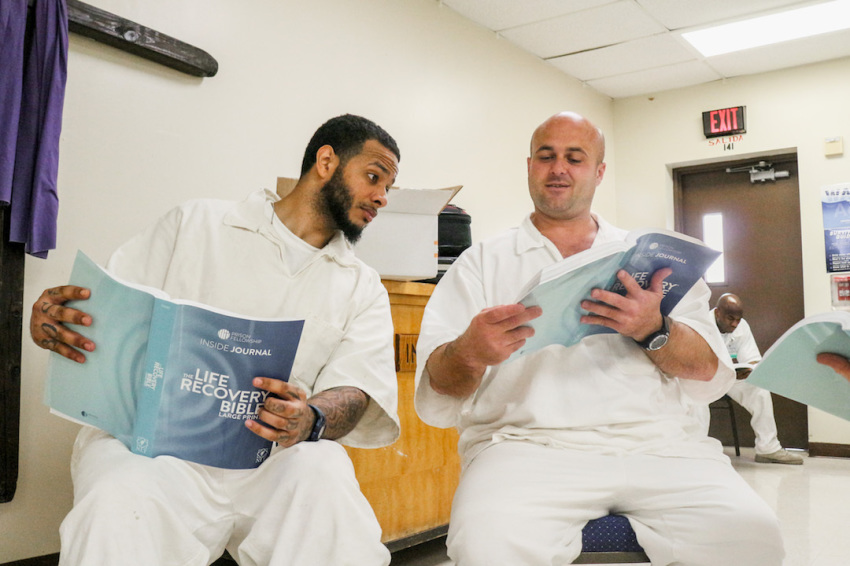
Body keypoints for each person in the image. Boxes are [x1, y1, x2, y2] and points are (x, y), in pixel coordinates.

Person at [414, 111, 784, 565]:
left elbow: (710, 374)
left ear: (599, 171)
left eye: (576, 157)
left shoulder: (654, 259)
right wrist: (469, 352)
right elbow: (437, 395)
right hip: (527, 449)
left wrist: (654, 329)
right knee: (486, 545)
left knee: (754, 535)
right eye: (546, 156)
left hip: (662, 446)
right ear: (529, 165)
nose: (559, 169)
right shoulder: (482, 263)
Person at [30, 114, 402, 566]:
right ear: (326, 161)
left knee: (325, 476)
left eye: (387, 188)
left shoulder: (361, 285)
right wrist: (59, 321)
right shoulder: (197, 223)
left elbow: (359, 389)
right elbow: (107, 315)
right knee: (117, 500)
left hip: (274, 457)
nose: (381, 197)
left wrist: (310, 417)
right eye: (374, 177)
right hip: (158, 452)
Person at [711, 293, 803, 464]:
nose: (734, 324)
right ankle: (692, 450)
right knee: (689, 397)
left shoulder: (741, 326)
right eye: (730, 318)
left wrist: (750, 370)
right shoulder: (700, 324)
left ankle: (768, 449)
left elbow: (752, 358)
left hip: (728, 377)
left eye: (738, 319)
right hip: (701, 378)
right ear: (717, 313)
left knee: (758, 389)